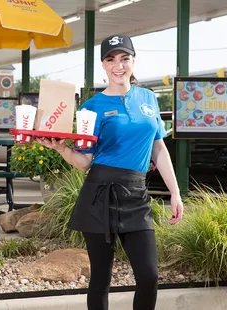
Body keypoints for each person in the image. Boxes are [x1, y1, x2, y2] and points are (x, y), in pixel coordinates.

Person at [36, 34, 184, 310]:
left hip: (136, 195)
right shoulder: (90, 108)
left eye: (124, 58)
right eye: (111, 59)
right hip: (99, 195)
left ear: (133, 61)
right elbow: (85, 162)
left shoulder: (149, 99)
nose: (119, 65)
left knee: (149, 275)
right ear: (103, 65)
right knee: (101, 278)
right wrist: (61, 149)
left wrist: (175, 193)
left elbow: (159, 150)